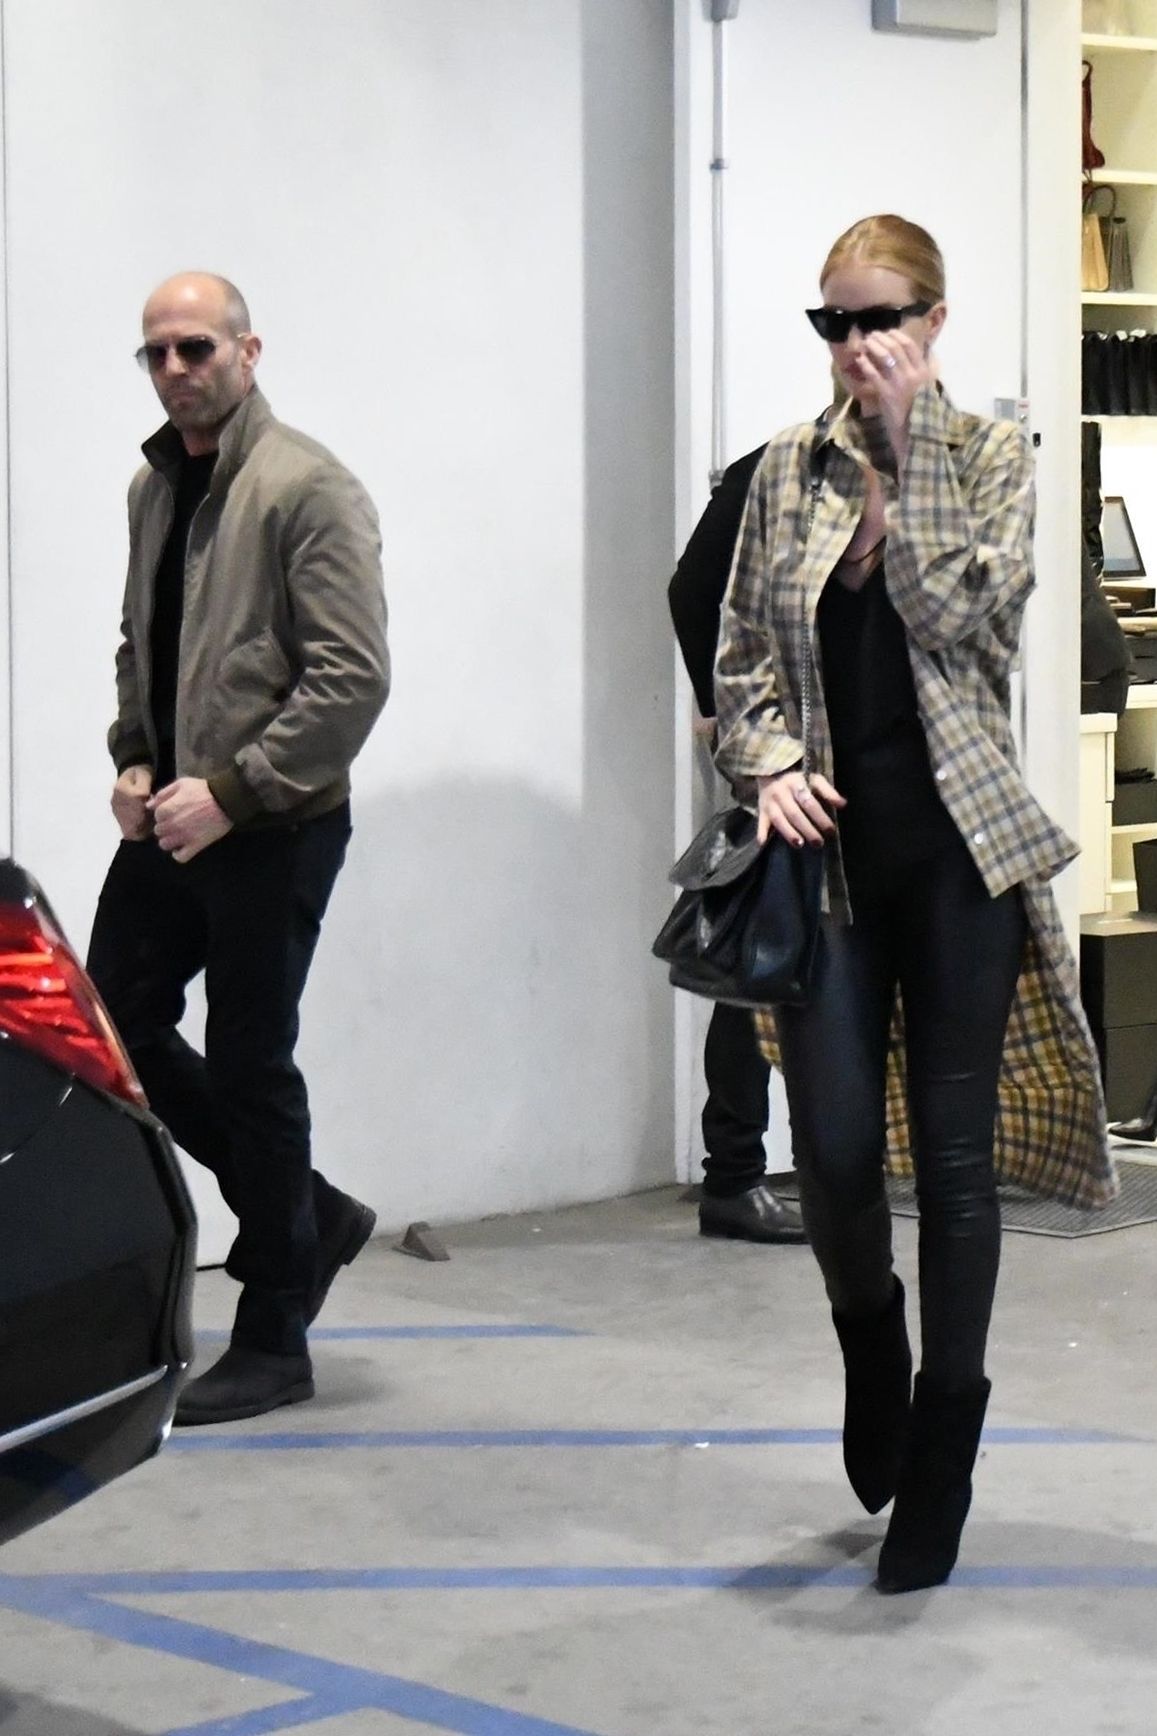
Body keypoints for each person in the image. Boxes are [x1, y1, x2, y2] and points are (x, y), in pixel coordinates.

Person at [714, 215, 1115, 1593]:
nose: (853, 346)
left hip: (956, 861)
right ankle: (866, 1332)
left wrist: (904, 451)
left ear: (931, 322)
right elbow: (739, 654)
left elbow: (962, 618)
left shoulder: (992, 457)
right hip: (826, 860)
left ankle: (943, 1450)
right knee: (830, 1148)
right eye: (831, 323)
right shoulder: (785, 469)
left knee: (951, 1161)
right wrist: (766, 762)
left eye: (876, 319)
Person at [87, 273, 390, 1426]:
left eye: (195, 347)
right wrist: (135, 756)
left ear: (247, 352)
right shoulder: (153, 486)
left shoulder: (307, 487)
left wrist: (232, 791)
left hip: (275, 824)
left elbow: (350, 680)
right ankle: (309, 1212)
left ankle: (273, 1335)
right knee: (109, 1027)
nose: (174, 369)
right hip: (172, 817)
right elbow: (141, 644)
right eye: (156, 352)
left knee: (252, 1060)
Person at [668, 455, 806, 1244]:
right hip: (795, 749)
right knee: (762, 956)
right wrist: (724, 709)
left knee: (793, 960)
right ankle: (734, 1174)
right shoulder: (780, 465)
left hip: (856, 750)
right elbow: (691, 588)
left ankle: (756, 1170)